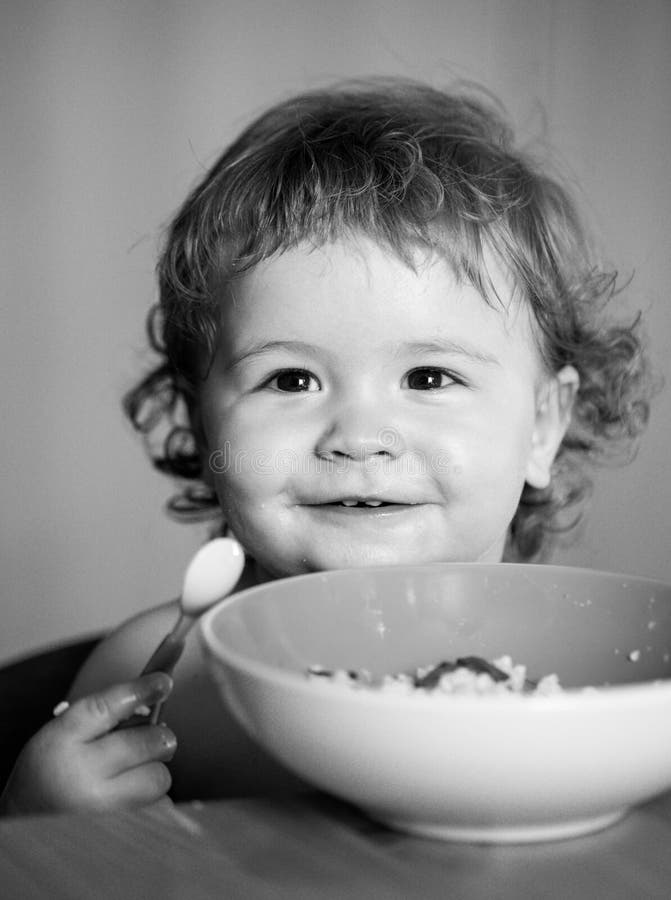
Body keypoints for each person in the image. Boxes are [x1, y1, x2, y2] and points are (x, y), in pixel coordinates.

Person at [0, 78, 653, 816]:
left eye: (428, 375)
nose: (358, 437)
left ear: (542, 425)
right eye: (290, 379)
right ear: (201, 422)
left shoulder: (601, 682)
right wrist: (42, 822)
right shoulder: (156, 682)